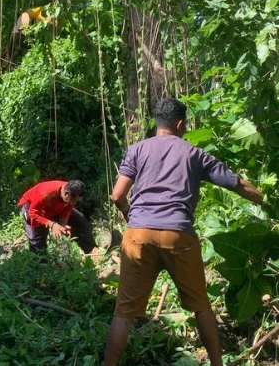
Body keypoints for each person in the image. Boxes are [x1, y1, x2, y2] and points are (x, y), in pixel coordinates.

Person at [103, 98, 264, 366]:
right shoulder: (194, 154)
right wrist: (264, 199)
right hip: (178, 236)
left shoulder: (137, 150)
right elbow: (237, 184)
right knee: (202, 306)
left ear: (157, 122)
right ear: (180, 125)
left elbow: (117, 195)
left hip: (138, 236)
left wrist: (131, 216)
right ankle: (216, 363)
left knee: (123, 314)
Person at [18, 180, 97, 258]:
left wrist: (63, 224)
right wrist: (52, 225)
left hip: (53, 207)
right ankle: (40, 266)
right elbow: (33, 214)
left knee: (79, 219)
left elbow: (67, 209)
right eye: (74, 201)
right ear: (66, 194)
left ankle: (92, 251)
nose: (74, 203)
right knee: (37, 244)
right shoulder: (45, 194)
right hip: (34, 209)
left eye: (77, 201)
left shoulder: (71, 191)